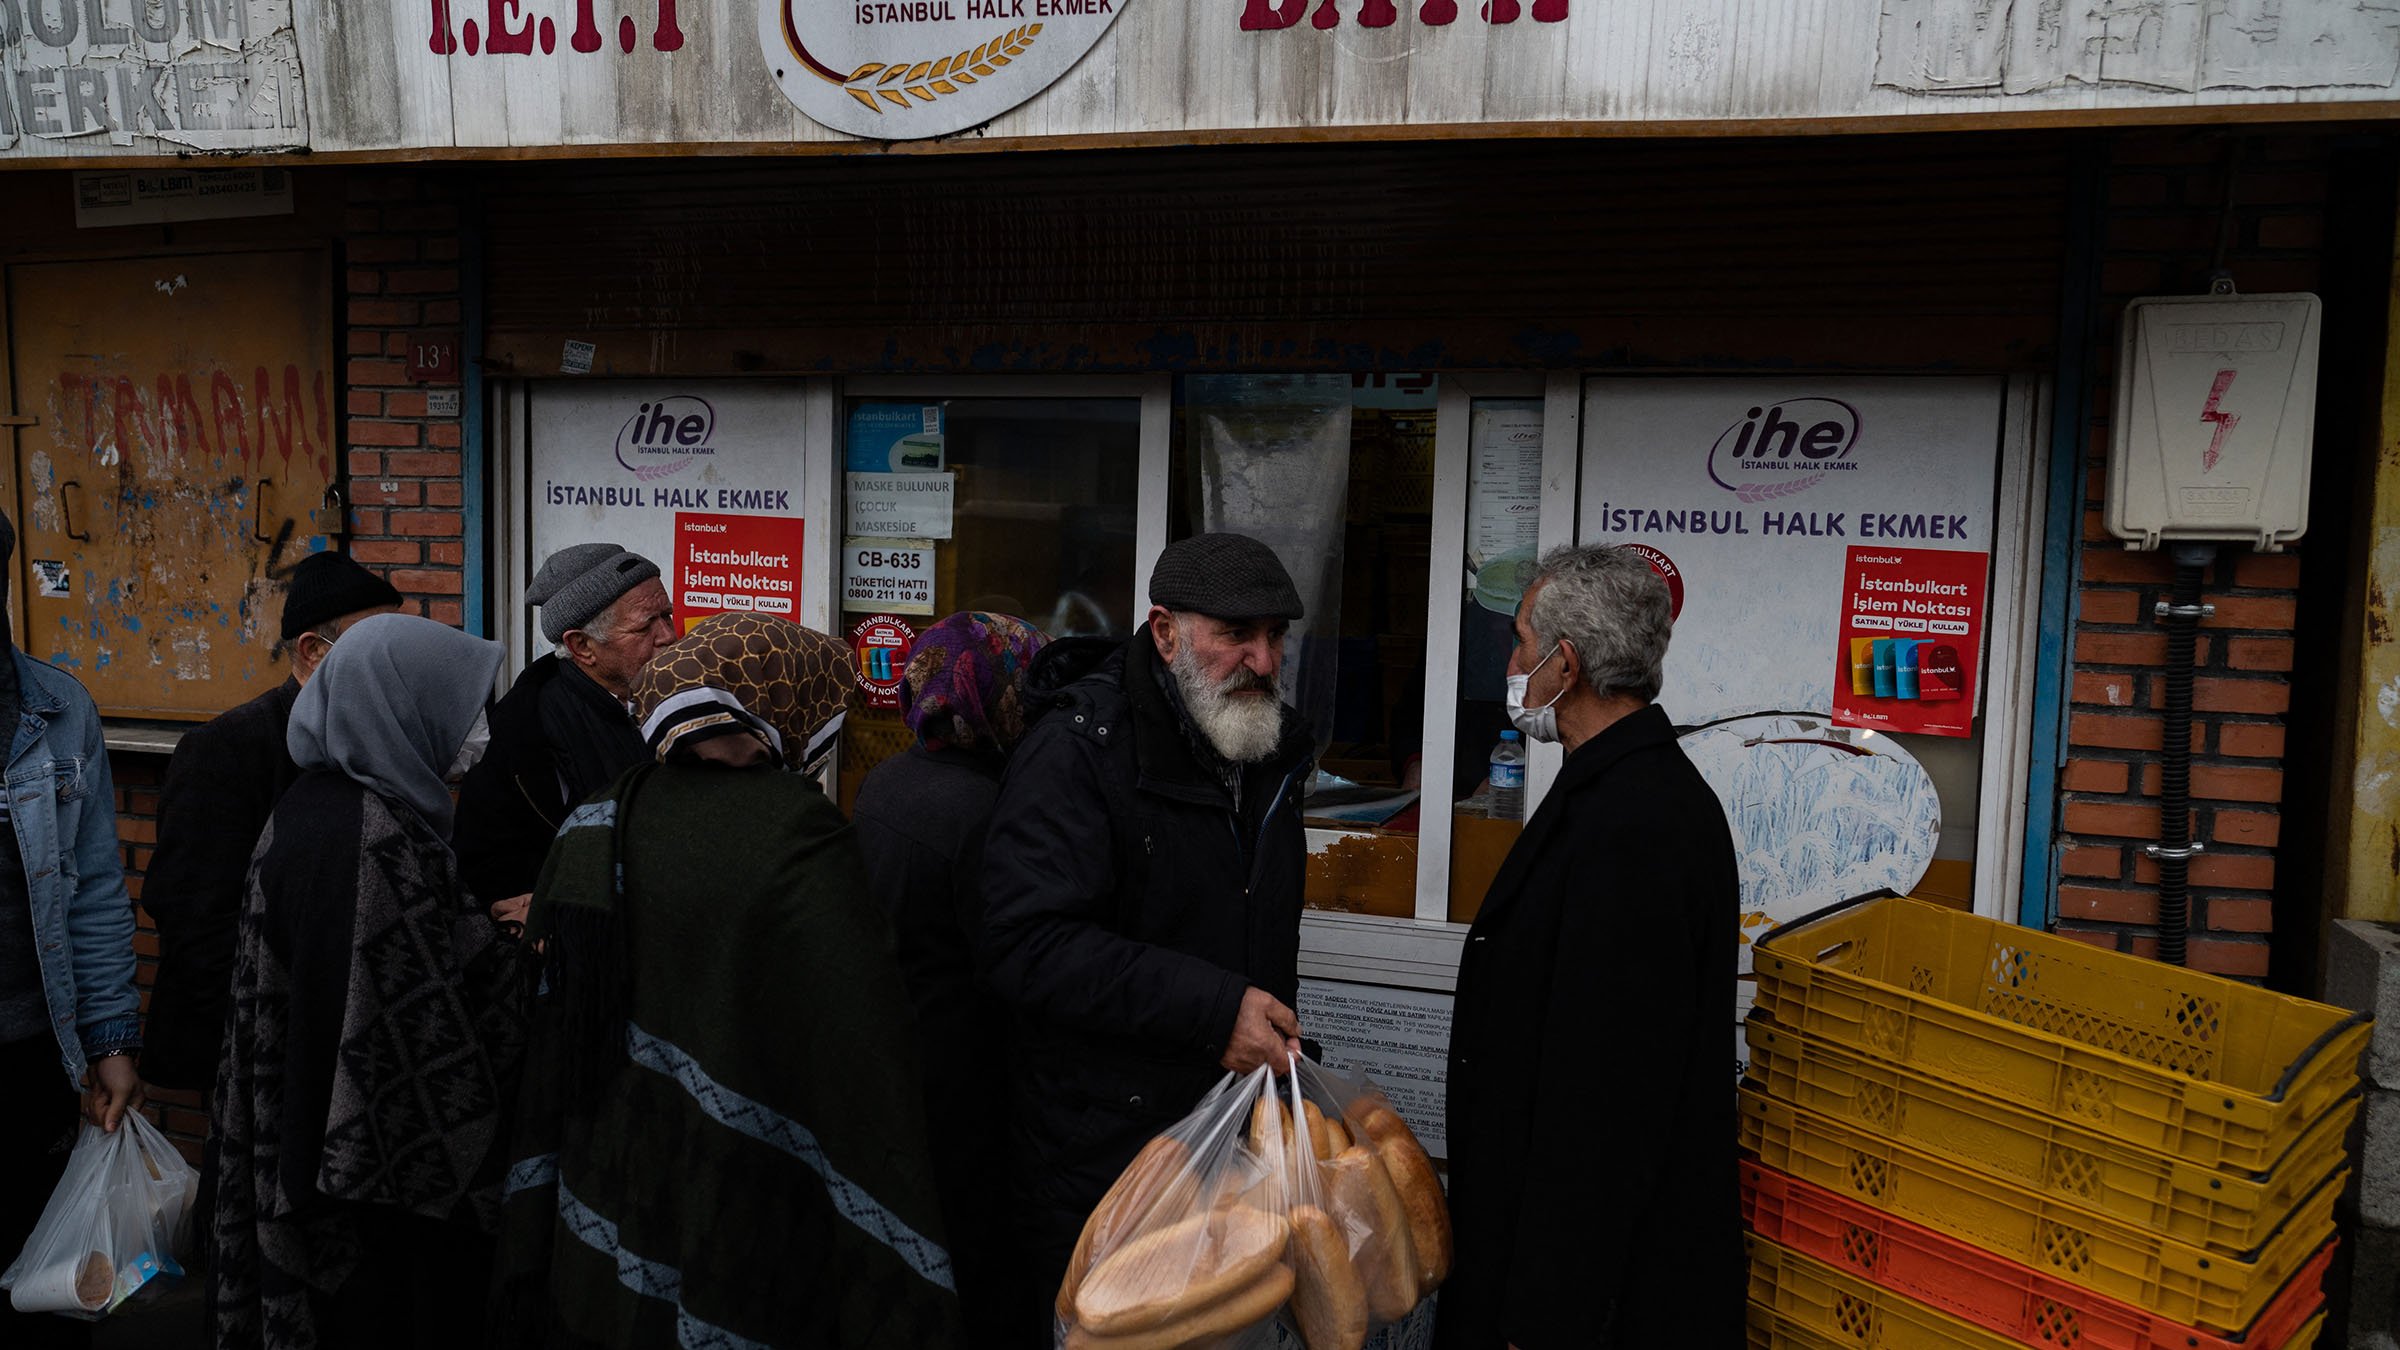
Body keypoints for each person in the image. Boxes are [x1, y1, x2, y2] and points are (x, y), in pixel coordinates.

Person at [495, 614, 962, 1349]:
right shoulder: (797, 837)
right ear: (780, 704)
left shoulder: (597, 816)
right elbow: (862, 1042)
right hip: (748, 1174)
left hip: (615, 1153)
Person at [980, 532, 1316, 1329]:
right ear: (1165, 633)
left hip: (1236, 1141)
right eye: (1236, 635)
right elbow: (1025, 944)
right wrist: (1213, 1011)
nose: (1264, 662)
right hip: (1103, 1156)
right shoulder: (1078, 752)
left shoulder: (1267, 747)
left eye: (1275, 637)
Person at [1437, 544, 1740, 1350]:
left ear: (1565, 665)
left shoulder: (1638, 822)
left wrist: (1539, 1315)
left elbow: (1607, 1102)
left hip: (1589, 1298)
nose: (1512, 661)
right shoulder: (1615, 787)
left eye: (1521, 641)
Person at [210, 614, 524, 1350]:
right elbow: (411, 1043)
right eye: (463, 706)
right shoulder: (369, 837)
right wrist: (519, 941)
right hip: (361, 1207)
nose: (476, 730)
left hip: (316, 1160)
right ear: (399, 706)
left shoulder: (325, 803)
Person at [852, 611, 1050, 1345]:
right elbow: (1017, 965)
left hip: (901, 1062)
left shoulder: (889, 779)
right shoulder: (991, 810)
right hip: (970, 1084)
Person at [143, 551, 405, 1094]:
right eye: (372, 643)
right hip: (252, 1053)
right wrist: (261, 1049)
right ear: (312, 652)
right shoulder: (226, 749)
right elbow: (197, 921)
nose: (390, 662)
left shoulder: (372, 740)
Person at [0, 508, 144, 1350]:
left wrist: (110, 1037)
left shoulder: (55, 711)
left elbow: (91, 892)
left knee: (45, 1287)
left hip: (29, 1055)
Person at [454, 543, 677, 915]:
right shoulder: (523, 730)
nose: (668, 636)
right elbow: (489, 863)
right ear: (582, 646)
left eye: (667, 616)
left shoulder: (686, 693)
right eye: (644, 627)